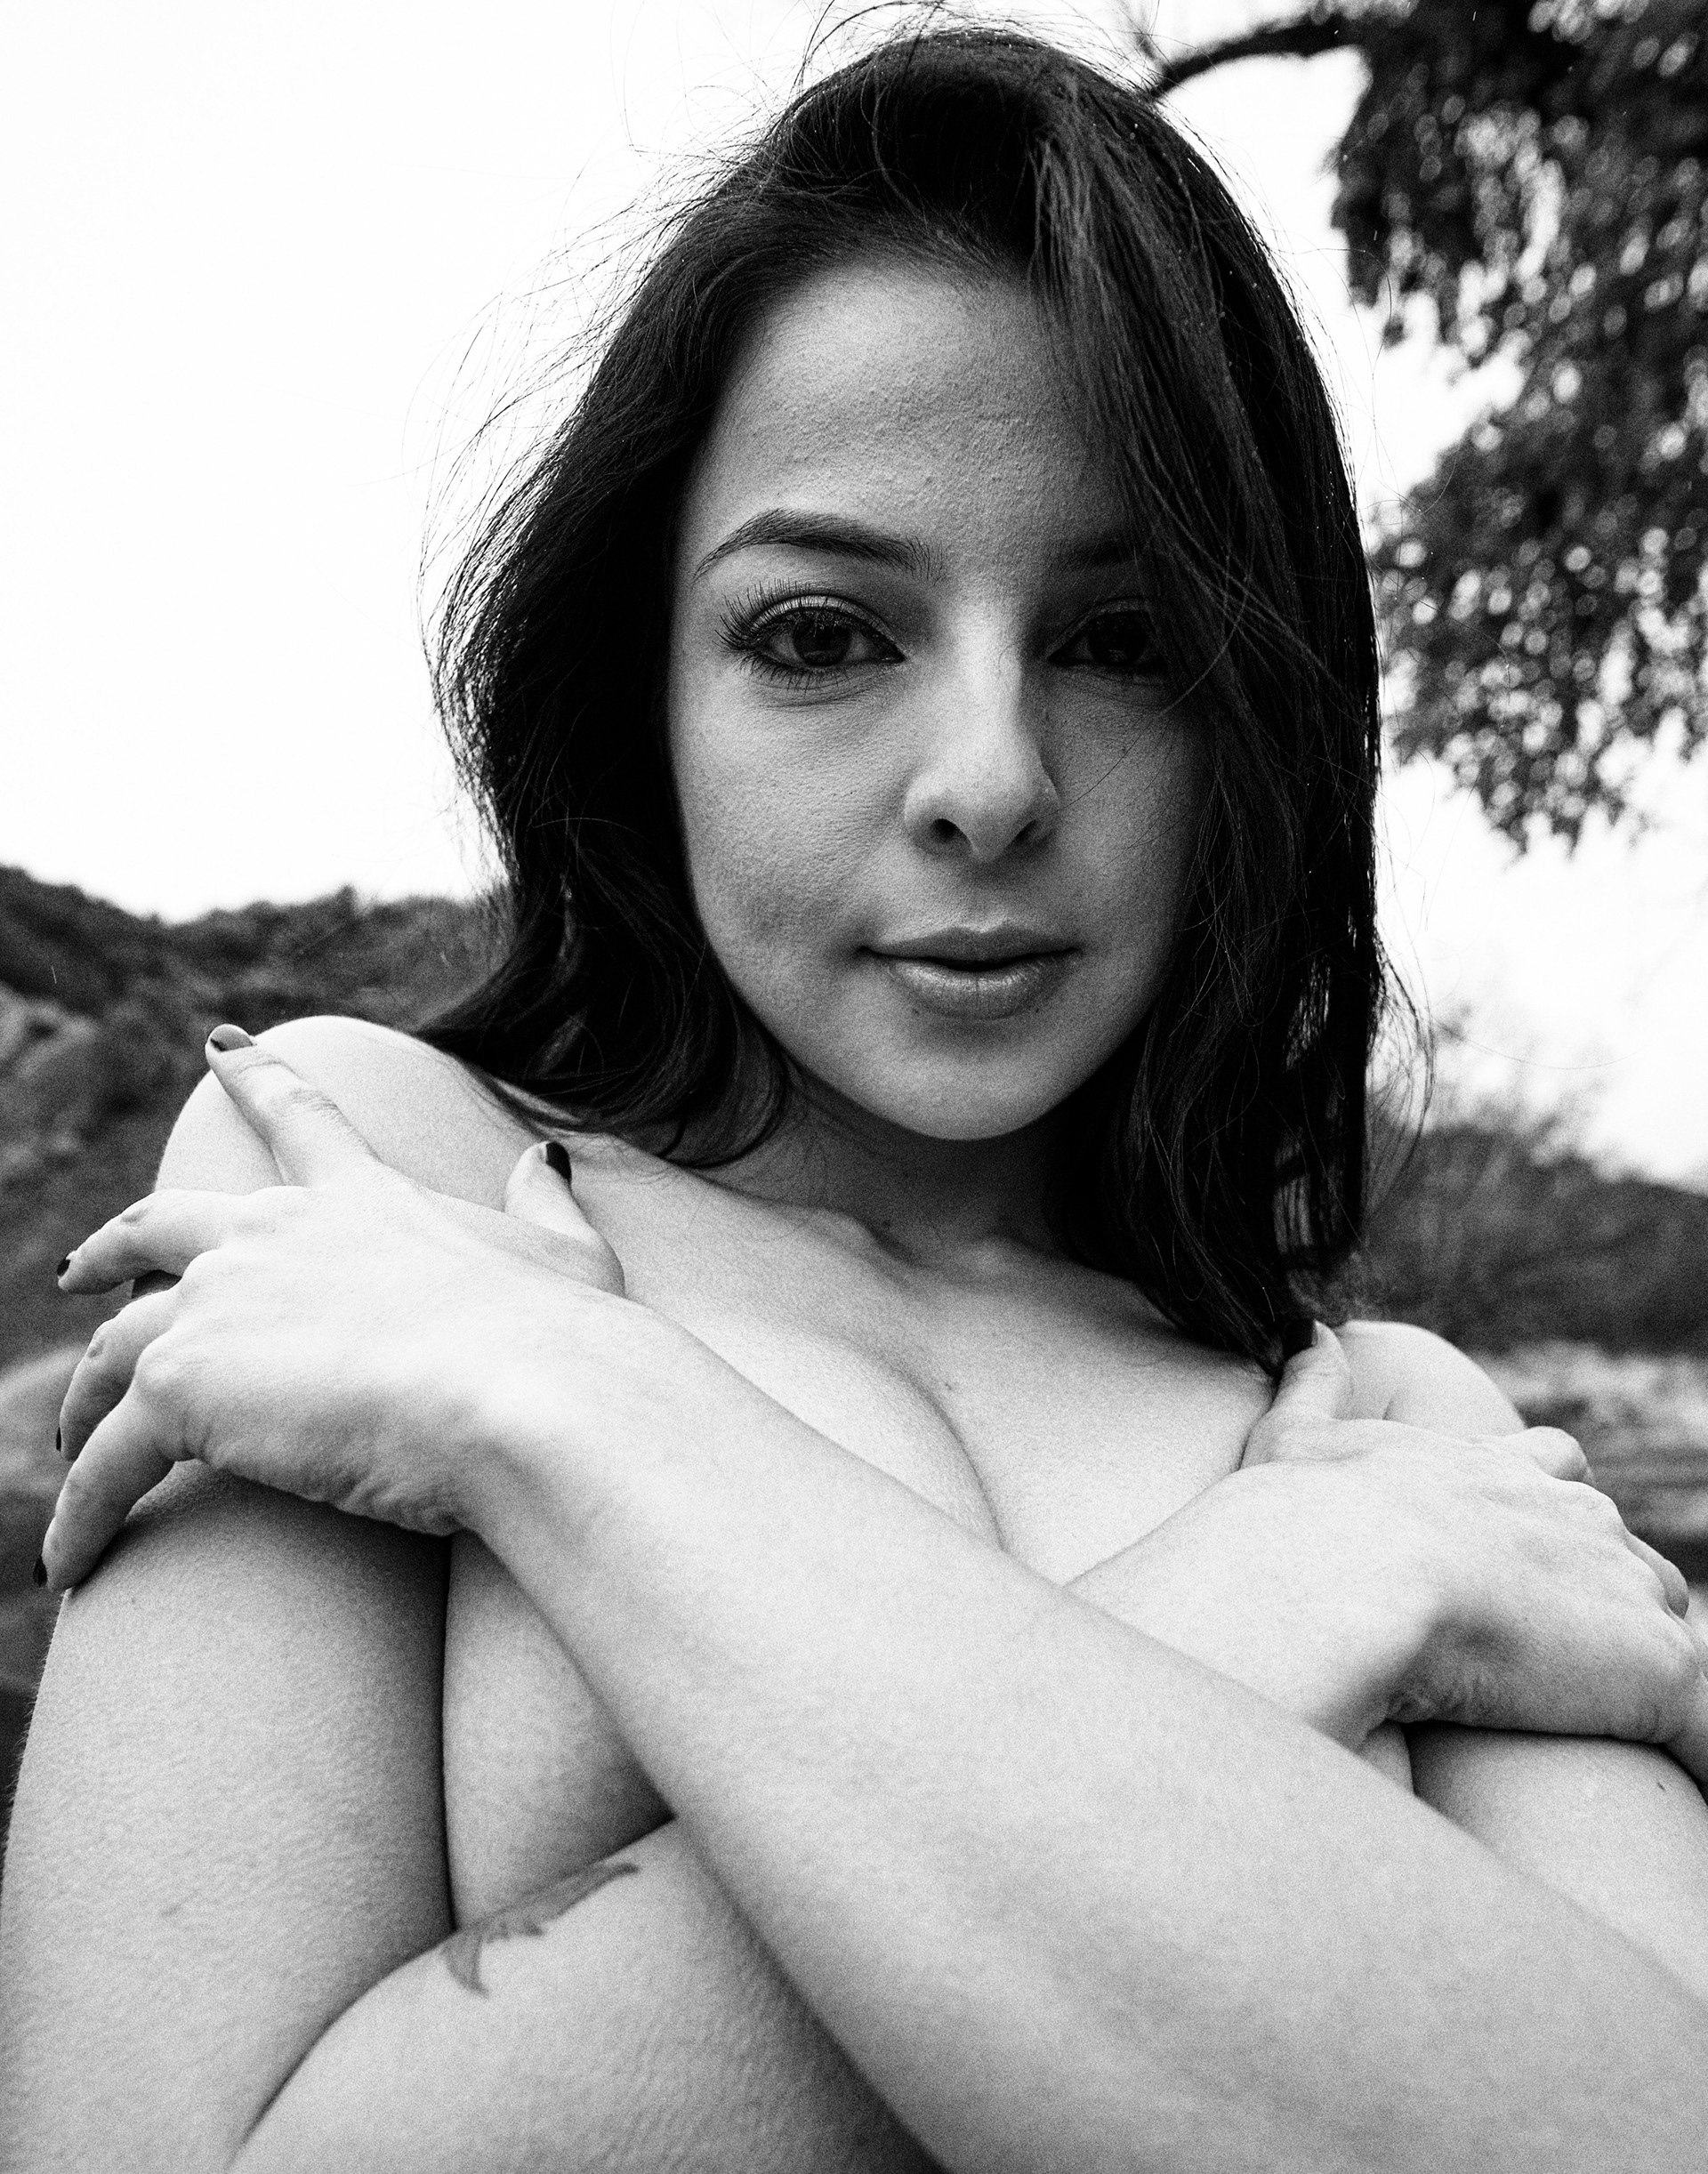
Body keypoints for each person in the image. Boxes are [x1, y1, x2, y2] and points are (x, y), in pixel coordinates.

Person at [4, 25, 1707, 2173]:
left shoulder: (1402, 1435)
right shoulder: (374, 1175)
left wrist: (571, 1417)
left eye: (1125, 639)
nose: (990, 779)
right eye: (821, 633)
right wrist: (1270, 1610)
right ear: (643, 686)